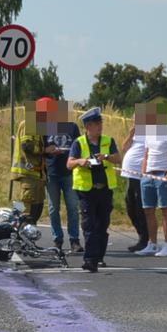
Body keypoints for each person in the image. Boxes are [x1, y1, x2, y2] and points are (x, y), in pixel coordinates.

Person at [67, 107, 120, 273]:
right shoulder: (79, 143)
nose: (100, 126)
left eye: (100, 122)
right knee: (89, 225)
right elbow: (69, 163)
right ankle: (90, 260)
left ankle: (99, 257)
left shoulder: (108, 141)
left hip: (104, 190)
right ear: (88, 126)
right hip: (86, 191)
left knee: (102, 224)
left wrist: (107, 157)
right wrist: (81, 161)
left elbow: (118, 159)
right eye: (97, 123)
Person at [137, 123, 167, 257]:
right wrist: (143, 174)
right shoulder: (148, 134)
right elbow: (146, 155)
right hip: (148, 176)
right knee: (148, 210)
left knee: (165, 209)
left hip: (162, 174)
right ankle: (152, 243)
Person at [42, 102, 82, 253]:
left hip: (69, 172)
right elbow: (40, 149)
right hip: (52, 171)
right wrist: (50, 151)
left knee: (72, 207)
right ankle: (57, 240)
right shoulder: (46, 128)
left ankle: (74, 240)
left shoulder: (72, 127)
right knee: (53, 209)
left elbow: (78, 147)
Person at [119, 119, 149, 253]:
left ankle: (144, 239)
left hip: (140, 174)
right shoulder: (135, 133)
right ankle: (141, 234)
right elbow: (123, 148)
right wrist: (130, 135)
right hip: (129, 174)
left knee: (139, 207)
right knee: (129, 204)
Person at [11, 111, 47, 224]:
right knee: (27, 213)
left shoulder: (38, 127)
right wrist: (45, 150)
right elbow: (27, 146)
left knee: (36, 212)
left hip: (37, 175)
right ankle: (19, 238)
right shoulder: (29, 124)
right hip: (28, 174)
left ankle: (29, 237)